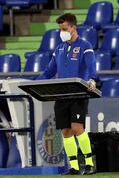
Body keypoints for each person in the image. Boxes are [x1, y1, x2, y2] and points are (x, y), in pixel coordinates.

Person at [37, 13, 97, 175]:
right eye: (59, 29)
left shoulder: (85, 45)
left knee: (77, 128)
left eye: (63, 29)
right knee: (66, 131)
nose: (61, 32)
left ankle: (90, 163)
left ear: (73, 28)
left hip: (78, 93)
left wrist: (92, 79)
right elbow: (49, 71)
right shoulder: (59, 48)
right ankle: (74, 167)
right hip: (62, 94)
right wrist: (34, 83)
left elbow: (91, 65)